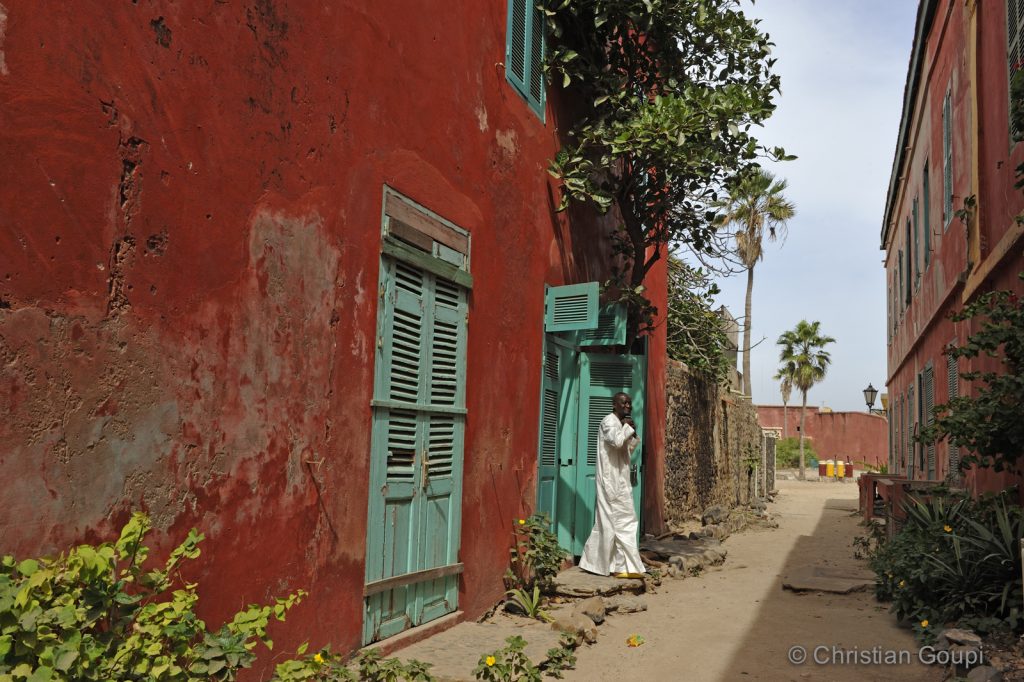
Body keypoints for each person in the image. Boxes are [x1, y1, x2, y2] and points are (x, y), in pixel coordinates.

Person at [578, 391, 646, 578]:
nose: (627, 406)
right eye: (623, 403)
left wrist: (632, 431)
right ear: (614, 404)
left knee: (627, 520)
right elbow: (616, 441)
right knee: (608, 523)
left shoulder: (621, 423)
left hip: (621, 480)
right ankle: (600, 564)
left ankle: (625, 566)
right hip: (609, 480)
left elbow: (627, 448)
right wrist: (625, 428)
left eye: (629, 403)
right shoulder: (608, 421)